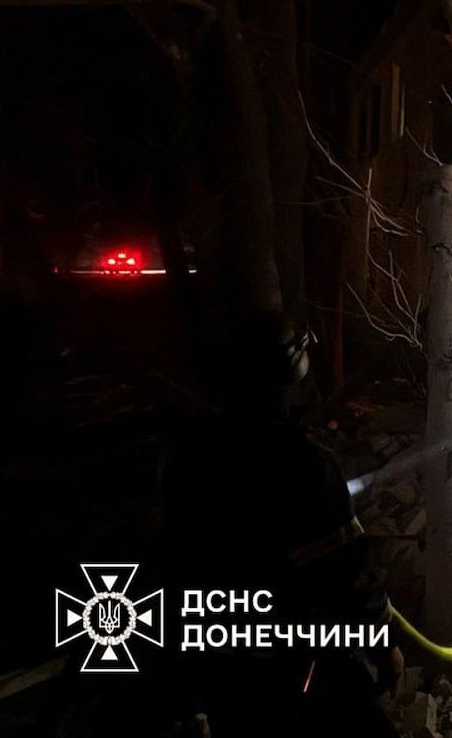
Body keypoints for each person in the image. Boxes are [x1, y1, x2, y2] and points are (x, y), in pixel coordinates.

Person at [158, 310, 398, 737]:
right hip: (292, 658)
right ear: (292, 371)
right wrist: (384, 644)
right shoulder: (303, 464)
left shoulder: (186, 455)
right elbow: (346, 573)